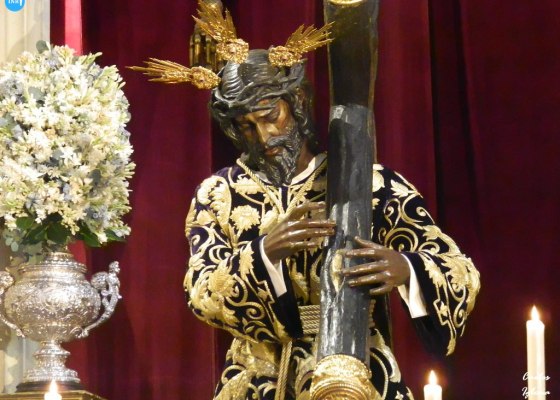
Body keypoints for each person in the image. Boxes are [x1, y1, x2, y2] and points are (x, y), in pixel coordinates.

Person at [183, 48, 481, 400]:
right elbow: (200, 291)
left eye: (270, 116)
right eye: (246, 126)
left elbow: (459, 270)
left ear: (296, 99)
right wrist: (264, 254)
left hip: (356, 372)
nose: (263, 137)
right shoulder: (220, 193)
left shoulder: (371, 184)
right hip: (257, 380)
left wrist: (407, 269)